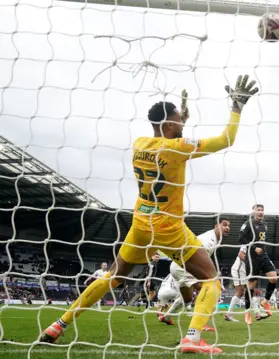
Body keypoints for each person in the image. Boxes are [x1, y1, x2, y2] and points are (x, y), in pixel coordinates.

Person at [39, 75, 259, 355]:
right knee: (211, 280)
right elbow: (225, 139)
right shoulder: (177, 148)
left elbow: (166, 147)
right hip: (169, 228)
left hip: (141, 223)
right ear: (169, 124)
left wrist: (181, 126)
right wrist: (237, 107)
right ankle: (191, 338)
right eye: (178, 119)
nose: (181, 122)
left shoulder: (140, 144)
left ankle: (59, 324)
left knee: (114, 277)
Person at [159, 217, 231, 326]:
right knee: (207, 289)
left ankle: (167, 317)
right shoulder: (209, 240)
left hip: (180, 265)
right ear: (216, 226)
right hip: (182, 267)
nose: (228, 228)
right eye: (224, 225)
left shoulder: (214, 239)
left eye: (228, 226)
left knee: (187, 298)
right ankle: (201, 323)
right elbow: (200, 261)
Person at [239, 204, 278, 322]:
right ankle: (247, 313)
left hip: (264, 255)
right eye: (258, 210)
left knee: (274, 278)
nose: (260, 212)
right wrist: (254, 247)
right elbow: (240, 238)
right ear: (253, 211)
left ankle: (265, 302)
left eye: (262, 210)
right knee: (251, 285)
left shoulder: (265, 225)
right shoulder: (248, 223)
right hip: (252, 257)